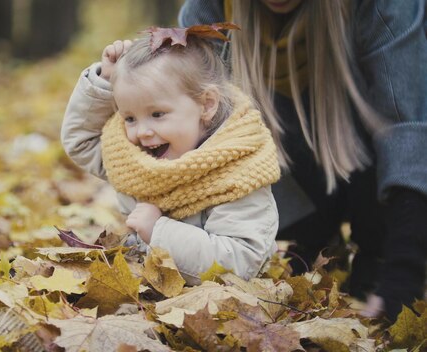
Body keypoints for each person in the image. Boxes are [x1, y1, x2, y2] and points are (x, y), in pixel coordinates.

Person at [178, 0, 427, 319]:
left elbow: (408, 128)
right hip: (292, 164)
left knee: (376, 286)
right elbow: (180, 121)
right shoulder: (208, 10)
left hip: (368, 159)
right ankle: (313, 238)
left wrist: (401, 278)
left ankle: (375, 252)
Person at [61, 33, 281, 283]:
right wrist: (103, 81)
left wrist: (159, 232)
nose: (142, 131)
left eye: (157, 114)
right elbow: (83, 143)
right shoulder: (136, 161)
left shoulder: (239, 173)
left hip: (219, 311)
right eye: (130, 118)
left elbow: (239, 263)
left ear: (207, 105)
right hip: (154, 294)